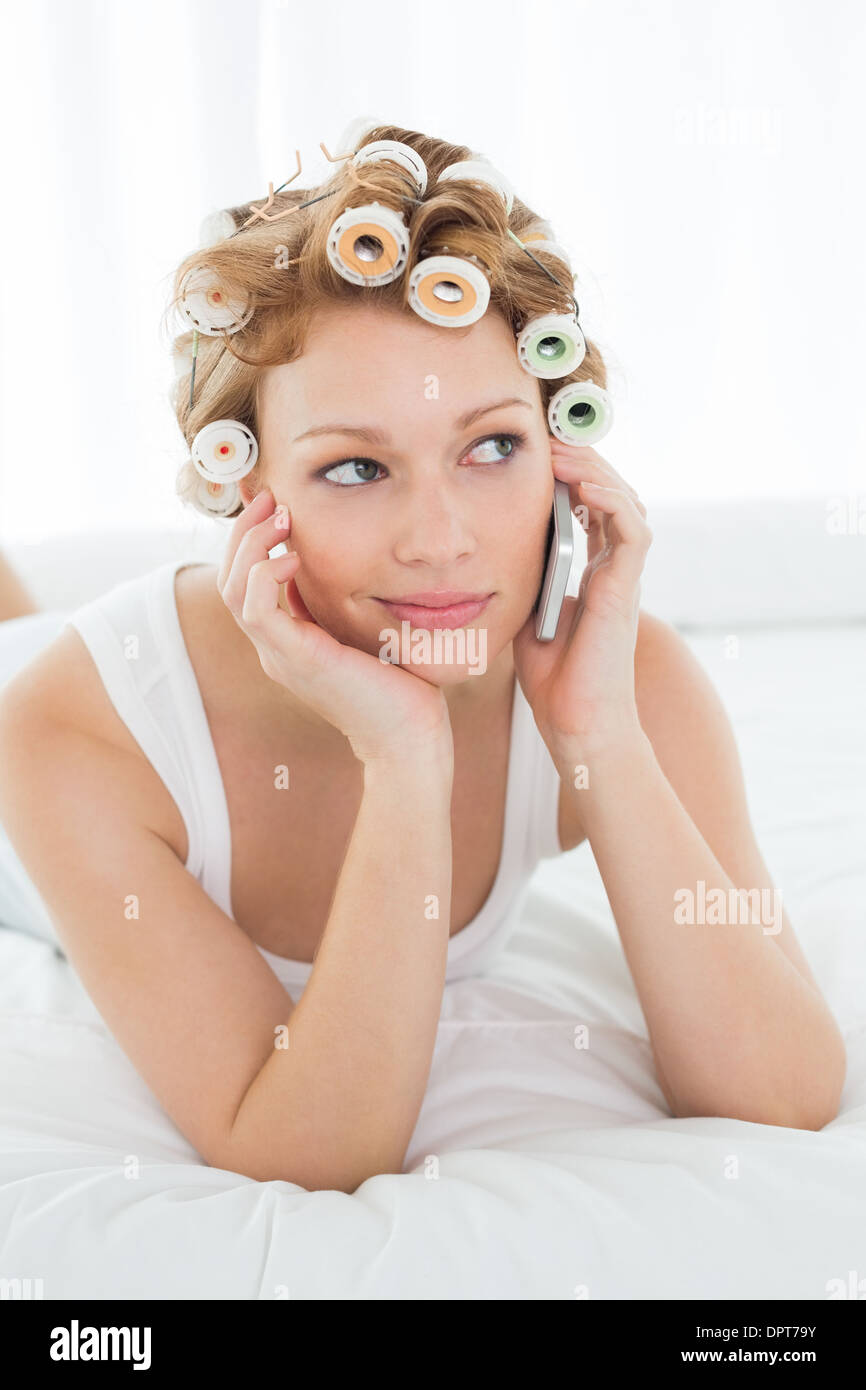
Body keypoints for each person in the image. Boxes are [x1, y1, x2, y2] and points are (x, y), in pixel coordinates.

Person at [0, 124, 845, 1195]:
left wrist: (594, 735)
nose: (440, 540)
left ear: (563, 453)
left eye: (492, 446)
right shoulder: (70, 729)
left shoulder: (625, 685)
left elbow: (778, 1095)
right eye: (356, 466)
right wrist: (404, 760)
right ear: (247, 493)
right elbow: (309, 1151)